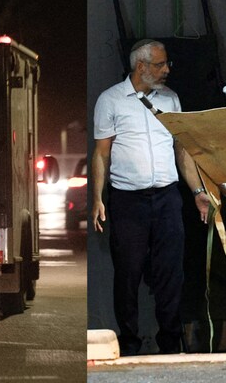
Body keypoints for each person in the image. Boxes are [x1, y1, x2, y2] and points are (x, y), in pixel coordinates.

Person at [92, 39, 211, 356]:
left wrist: (198, 191)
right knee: (128, 275)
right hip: (128, 201)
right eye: (160, 64)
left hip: (167, 199)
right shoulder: (112, 100)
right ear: (141, 66)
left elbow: (180, 149)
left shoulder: (171, 99)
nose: (167, 69)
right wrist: (98, 198)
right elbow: (101, 154)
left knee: (171, 274)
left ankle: (170, 344)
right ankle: (129, 345)